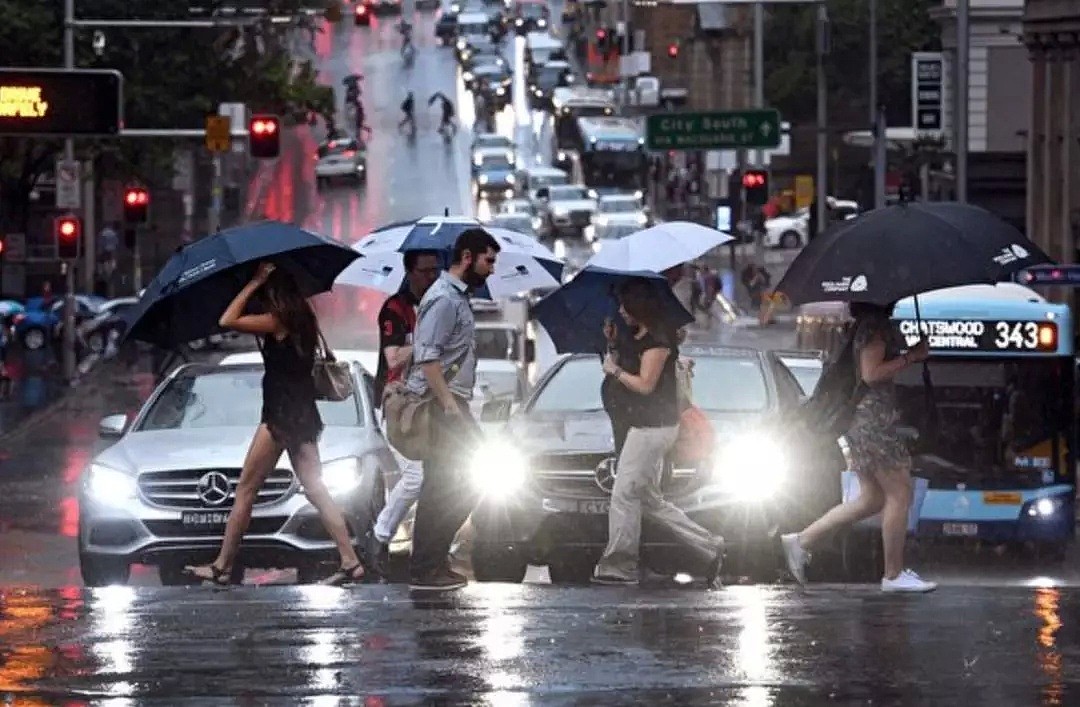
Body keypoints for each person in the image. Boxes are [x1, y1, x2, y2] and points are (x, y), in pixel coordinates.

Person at [185, 263, 364, 586]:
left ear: (274, 293)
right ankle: (350, 560)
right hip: (304, 413)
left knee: (246, 489)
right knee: (316, 488)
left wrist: (253, 283)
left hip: (280, 415)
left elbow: (227, 320)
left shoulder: (277, 321)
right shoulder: (304, 321)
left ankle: (222, 566)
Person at [781, 302, 936, 593]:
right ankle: (893, 575)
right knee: (900, 493)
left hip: (861, 422)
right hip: (872, 422)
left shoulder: (863, 326)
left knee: (872, 499)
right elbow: (870, 373)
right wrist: (911, 357)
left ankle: (801, 541)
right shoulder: (874, 328)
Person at [593, 278, 724, 587]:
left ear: (640, 307)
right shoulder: (635, 335)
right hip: (639, 426)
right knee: (649, 499)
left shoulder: (657, 342)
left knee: (624, 493)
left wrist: (615, 371)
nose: (621, 311)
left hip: (652, 427)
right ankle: (709, 544)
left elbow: (645, 385)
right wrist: (612, 343)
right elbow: (625, 359)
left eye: (626, 305)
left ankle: (619, 565)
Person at [407, 229, 500, 591]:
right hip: (441, 404)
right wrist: (449, 405)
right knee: (456, 483)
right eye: (487, 260)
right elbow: (427, 356)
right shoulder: (444, 299)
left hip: (449, 402)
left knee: (447, 484)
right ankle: (426, 565)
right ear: (466, 257)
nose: (491, 270)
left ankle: (431, 562)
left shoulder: (456, 297)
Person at [365, 250, 441, 578]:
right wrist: (424, 342)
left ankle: (427, 549)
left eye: (435, 271)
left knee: (437, 478)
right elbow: (394, 359)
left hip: (427, 404)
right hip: (398, 403)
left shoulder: (438, 307)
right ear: (410, 272)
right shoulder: (395, 309)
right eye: (424, 271)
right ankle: (379, 538)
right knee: (415, 477)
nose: (430, 277)